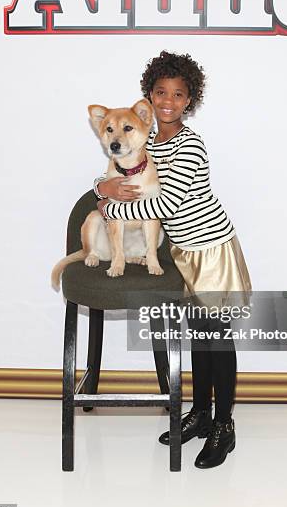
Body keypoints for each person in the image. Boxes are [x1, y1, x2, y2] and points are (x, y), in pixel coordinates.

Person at [94, 50, 252, 469]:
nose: (168, 100)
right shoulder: (148, 140)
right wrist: (101, 187)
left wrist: (108, 208)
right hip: (182, 252)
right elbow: (117, 173)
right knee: (199, 337)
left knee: (217, 339)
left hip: (211, 248)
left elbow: (160, 204)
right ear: (149, 96)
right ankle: (201, 412)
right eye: (161, 92)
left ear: (189, 100)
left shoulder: (189, 143)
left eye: (178, 94)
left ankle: (224, 425)